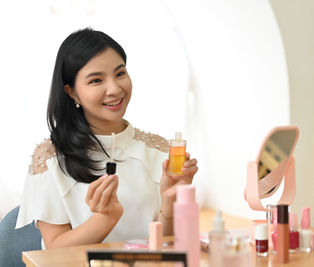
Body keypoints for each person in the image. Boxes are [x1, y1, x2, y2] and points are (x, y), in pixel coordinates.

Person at [15, 28, 198, 249]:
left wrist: (170, 207)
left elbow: (166, 249)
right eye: (96, 80)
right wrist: (106, 218)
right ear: (71, 92)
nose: (114, 89)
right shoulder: (51, 158)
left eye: (120, 73)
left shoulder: (160, 152)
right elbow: (55, 252)